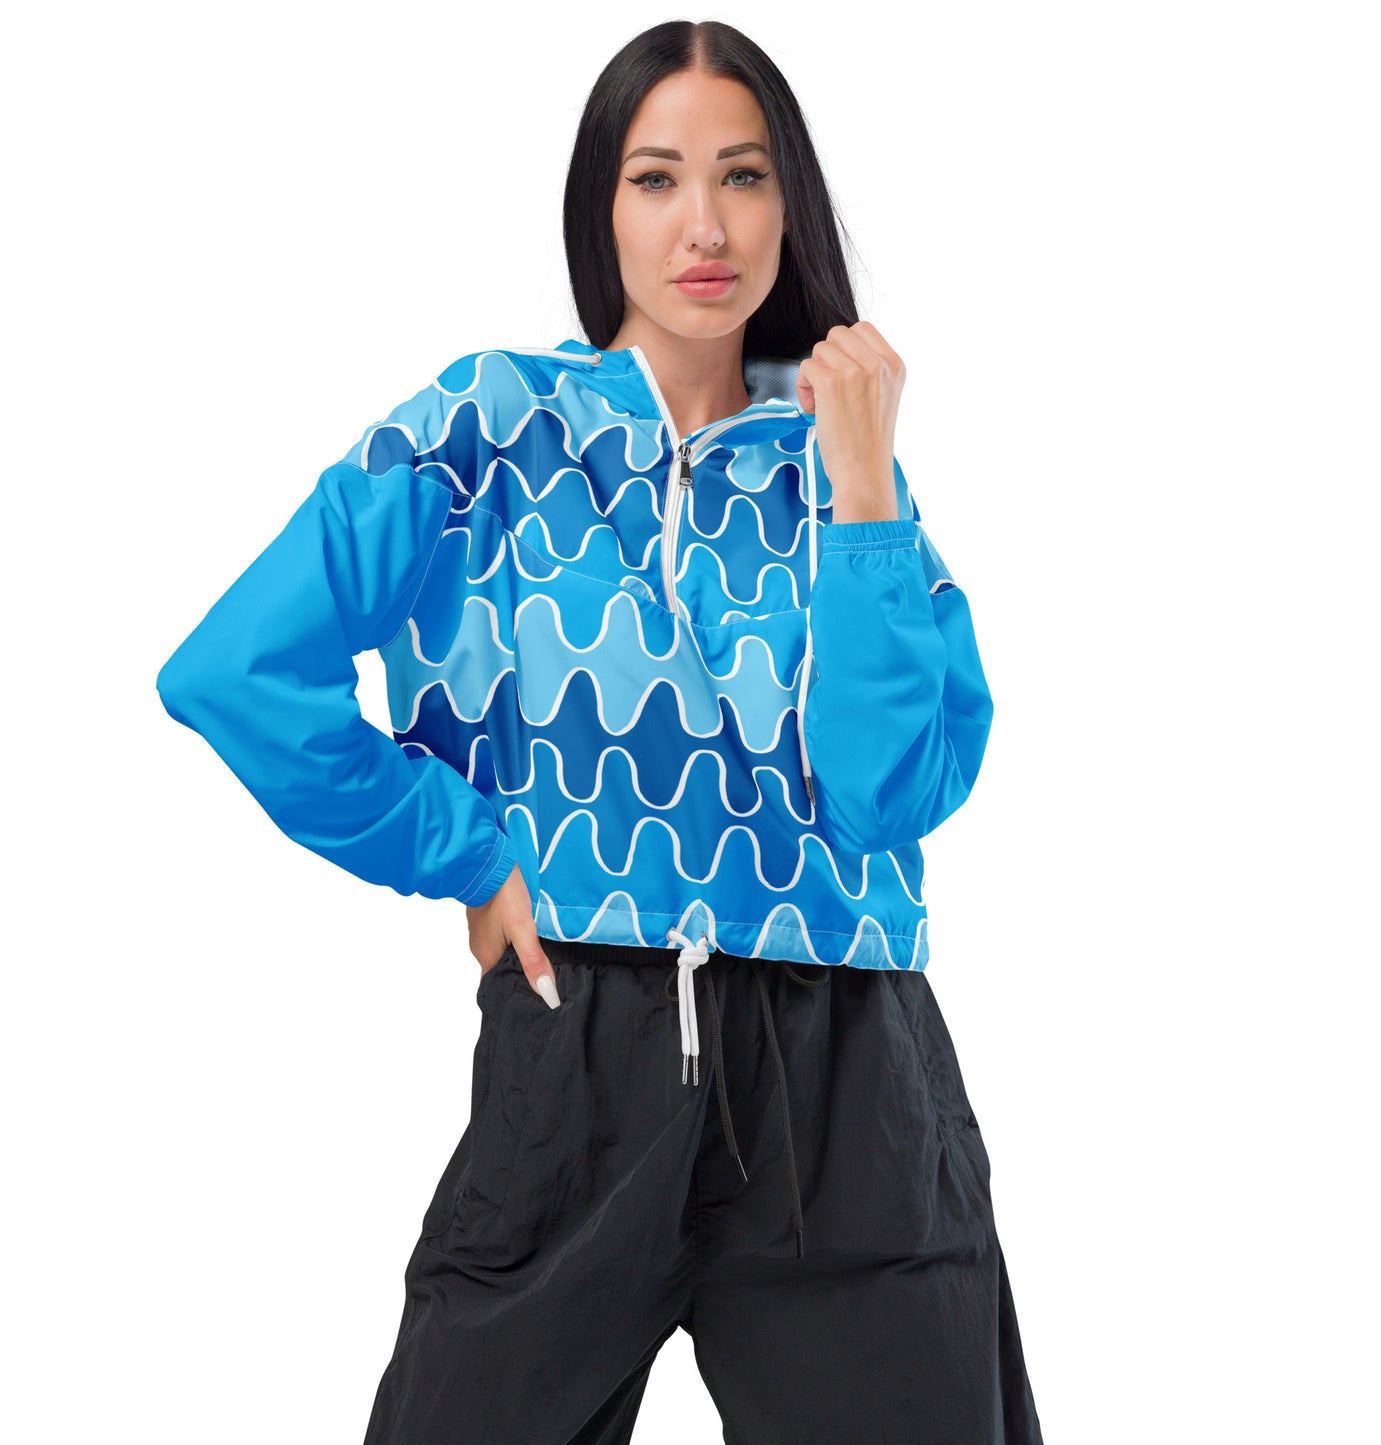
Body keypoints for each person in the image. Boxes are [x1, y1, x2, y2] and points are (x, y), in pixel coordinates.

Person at [155, 18, 1044, 1444]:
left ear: (790, 207)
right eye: (656, 178)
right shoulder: (488, 427)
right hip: (579, 1052)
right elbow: (235, 671)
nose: (706, 225)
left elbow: (885, 799)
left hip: (848, 1076)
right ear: (601, 207)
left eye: (744, 176)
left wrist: (866, 487)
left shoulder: (844, 469)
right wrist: (462, 851)